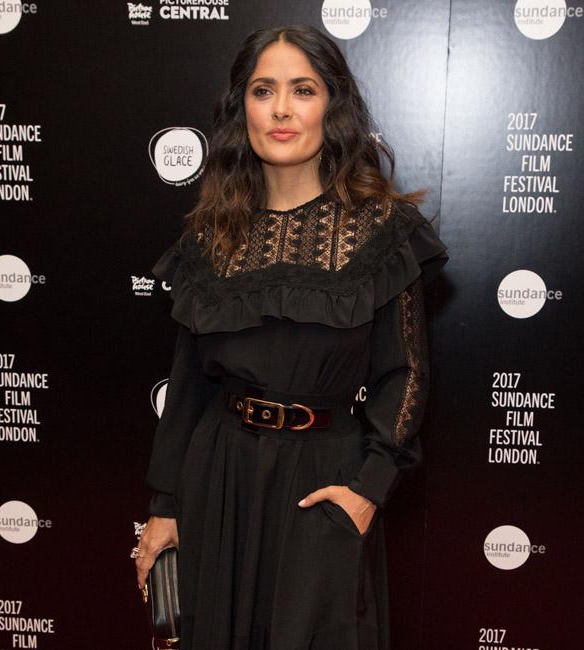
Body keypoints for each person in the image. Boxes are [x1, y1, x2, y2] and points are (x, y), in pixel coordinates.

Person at [134, 24, 448, 650]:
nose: (281, 109)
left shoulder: (382, 232)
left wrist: (366, 491)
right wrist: (166, 505)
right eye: (263, 90)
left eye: (303, 90)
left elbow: (405, 373)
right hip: (219, 480)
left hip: (322, 484)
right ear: (241, 109)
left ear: (333, 107)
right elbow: (188, 385)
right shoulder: (210, 237)